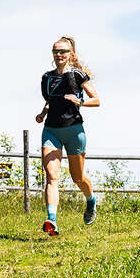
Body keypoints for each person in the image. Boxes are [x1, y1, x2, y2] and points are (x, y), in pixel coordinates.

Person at [35, 36, 100, 236]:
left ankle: (90, 201)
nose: (59, 55)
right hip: (51, 130)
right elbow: (50, 101)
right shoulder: (46, 78)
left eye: (63, 51)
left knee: (78, 178)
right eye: (56, 51)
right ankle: (51, 220)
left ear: (70, 54)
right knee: (52, 176)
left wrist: (80, 102)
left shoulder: (78, 76)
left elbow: (96, 100)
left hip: (74, 131)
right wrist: (43, 113)